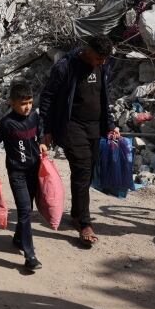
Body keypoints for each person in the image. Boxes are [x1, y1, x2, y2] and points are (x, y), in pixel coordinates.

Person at [39, 35, 119, 247]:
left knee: (87, 171)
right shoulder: (66, 67)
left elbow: (104, 98)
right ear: (88, 50)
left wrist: (110, 126)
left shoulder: (102, 66)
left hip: (94, 127)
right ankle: (84, 223)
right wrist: (46, 129)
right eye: (99, 57)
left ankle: (76, 213)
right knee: (82, 168)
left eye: (104, 58)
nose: (101, 62)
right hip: (71, 126)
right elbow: (47, 96)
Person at [0, 80, 47, 271]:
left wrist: (43, 143)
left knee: (27, 209)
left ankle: (18, 238)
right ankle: (30, 255)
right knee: (24, 210)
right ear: (12, 103)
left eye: (30, 102)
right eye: (23, 103)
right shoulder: (7, 123)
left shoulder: (34, 118)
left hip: (33, 170)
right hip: (17, 173)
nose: (27, 106)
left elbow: (40, 132)